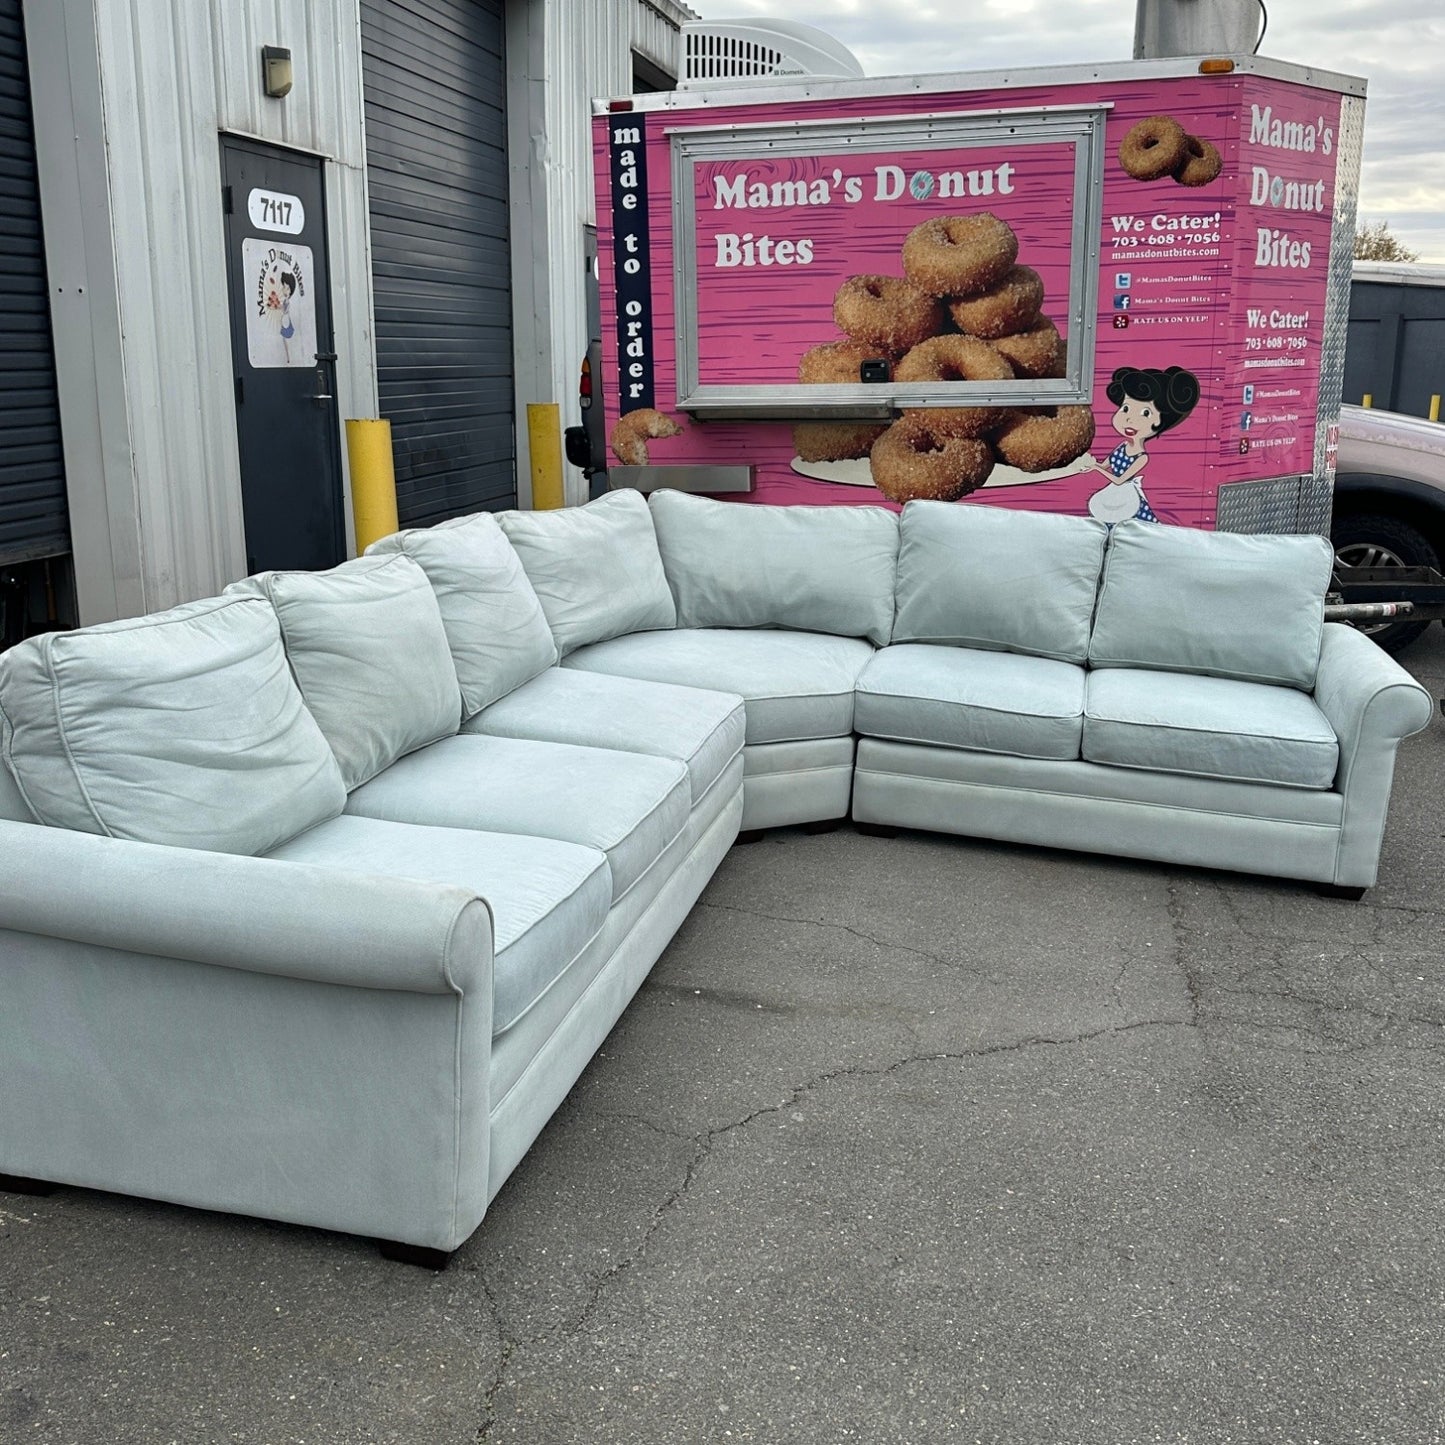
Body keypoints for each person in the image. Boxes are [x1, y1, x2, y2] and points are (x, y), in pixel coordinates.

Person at [1077, 364, 1200, 523]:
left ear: (1159, 420)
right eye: (1126, 408)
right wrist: (1086, 465)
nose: (1129, 419)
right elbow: (1103, 465)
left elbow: (1120, 480)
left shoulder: (1142, 458)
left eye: (1145, 413)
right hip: (1115, 494)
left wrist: (1096, 469)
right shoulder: (1122, 447)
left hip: (1127, 496)